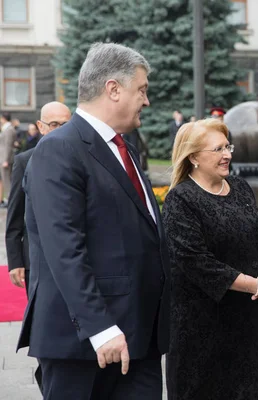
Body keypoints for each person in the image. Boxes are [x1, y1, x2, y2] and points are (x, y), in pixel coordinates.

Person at [18, 42, 171, 400]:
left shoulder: (124, 147)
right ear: (113, 89)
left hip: (138, 338)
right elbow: (64, 249)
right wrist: (100, 328)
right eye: (142, 90)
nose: (146, 101)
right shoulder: (58, 148)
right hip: (85, 344)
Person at [162, 118, 258, 399]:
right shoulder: (180, 199)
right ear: (194, 156)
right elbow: (198, 263)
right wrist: (257, 287)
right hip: (200, 328)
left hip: (245, 322)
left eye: (228, 146)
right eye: (218, 149)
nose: (228, 155)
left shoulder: (240, 187)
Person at [4, 101, 71, 393]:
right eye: (54, 125)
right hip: (37, 262)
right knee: (45, 327)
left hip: (72, 260)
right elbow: (14, 216)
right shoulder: (25, 161)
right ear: (41, 127)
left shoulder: (79, 158)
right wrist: (16, 260)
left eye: (66, 124)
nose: (60, 130)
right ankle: (48, 378)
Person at [0, 112, 17, 206]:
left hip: (5, 159)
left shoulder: (9, 129)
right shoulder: (6, 128)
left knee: (7, 180)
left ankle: (11, 200)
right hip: (3, 158)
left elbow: (8, 145)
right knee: (5, 179)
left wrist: (6, 160)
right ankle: (9, 199)